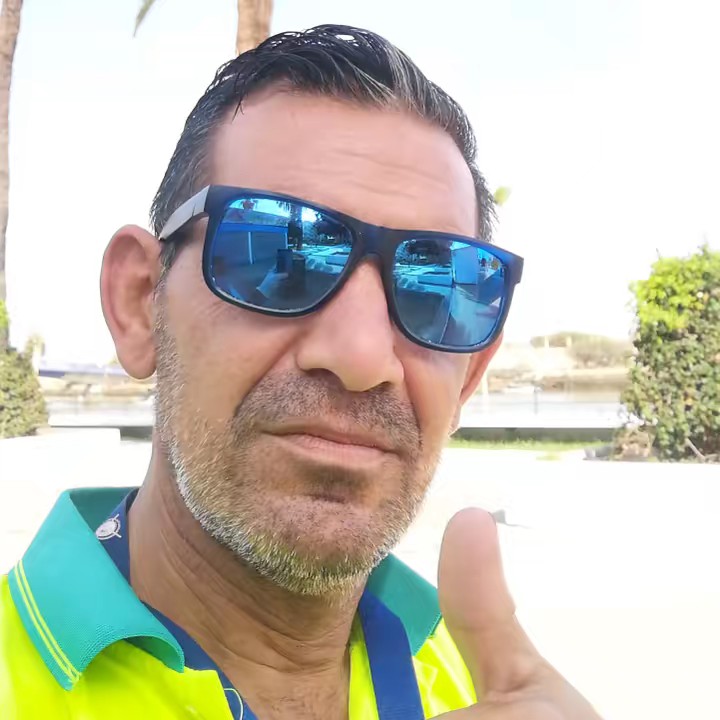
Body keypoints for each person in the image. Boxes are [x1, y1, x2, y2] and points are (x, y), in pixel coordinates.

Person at [0, 25, 601, 720]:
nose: (362, 358)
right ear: (140, 305)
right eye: (280, 256)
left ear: (468, 376)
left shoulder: (476, 686)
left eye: (436, 288)